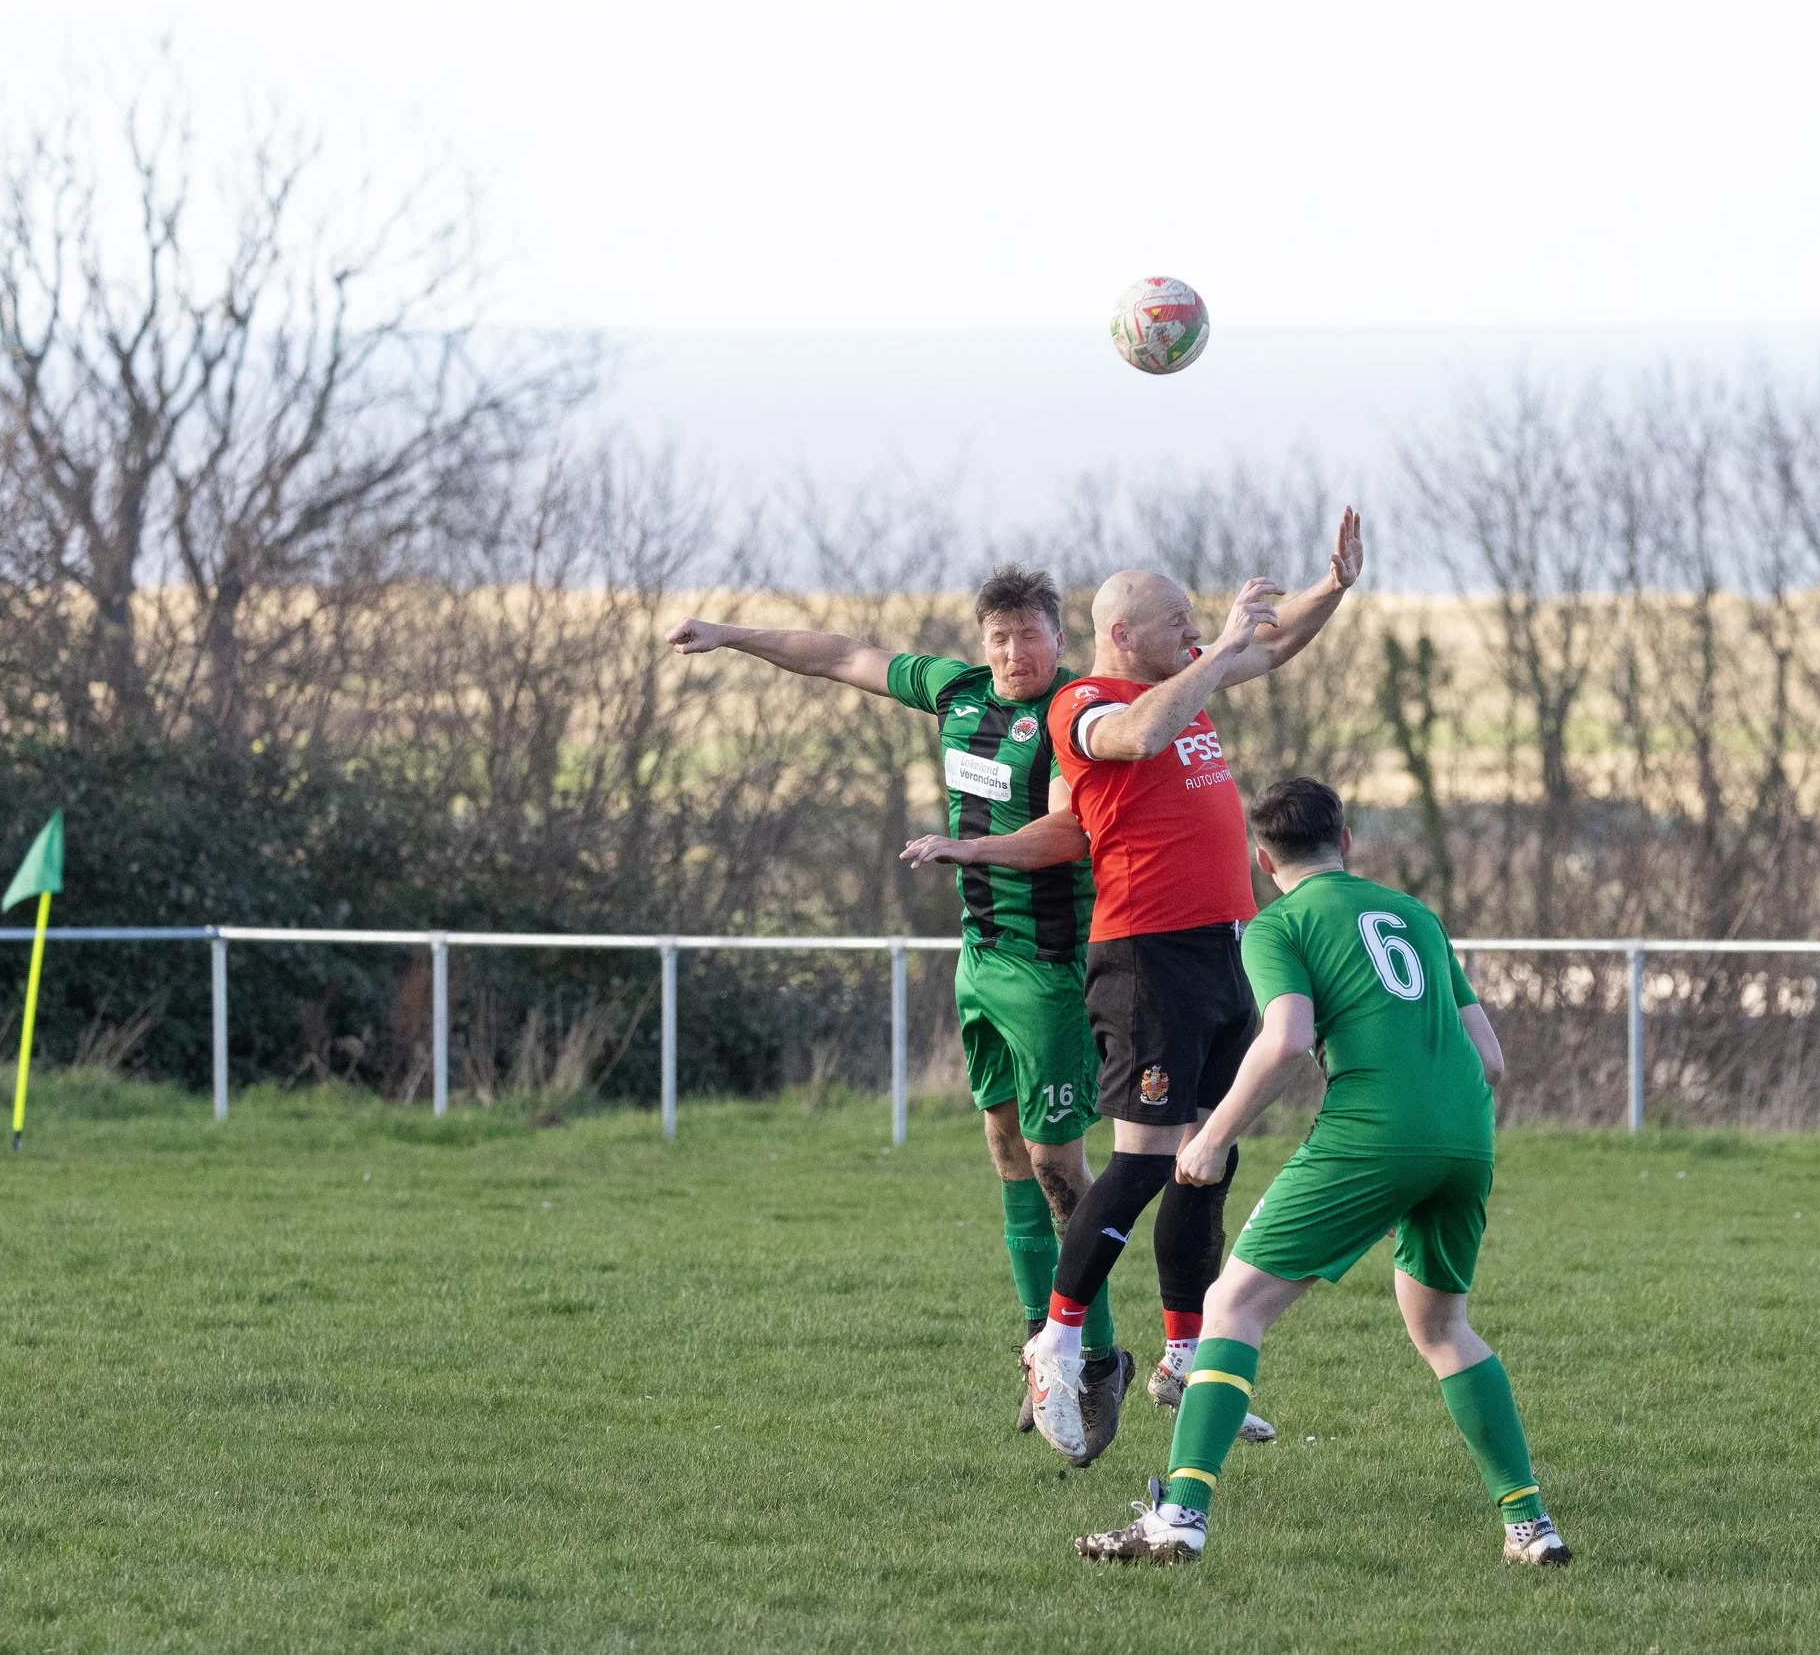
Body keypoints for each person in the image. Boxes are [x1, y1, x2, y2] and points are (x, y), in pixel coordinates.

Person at [665, 565, 1135, 1460]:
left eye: (1029, 635)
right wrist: (731, 632)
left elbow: (1071, 833)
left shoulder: (1075, 711)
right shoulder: (957, 692)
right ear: (982, 641)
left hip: (1051, 971)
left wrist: (967, 844)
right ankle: (1044, 1349)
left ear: (1058, 639)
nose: (1013, 652)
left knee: (1060, 1169)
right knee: (1003, 1149)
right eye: (999, 636)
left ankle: (1097, 1357)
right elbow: (840, 653)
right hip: (981, 961)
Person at [1075, 777, 1570, 1566]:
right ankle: (1529, 1525)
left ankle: (1179, 1518)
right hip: (1467, 1134)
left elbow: (1286, 1036)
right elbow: (1492, 1060)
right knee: (1444, 1328)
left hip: (1373, 1130)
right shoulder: (1414, 915)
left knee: (1231, 1307)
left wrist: (1211, 1139)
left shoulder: (1278, 926)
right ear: (1347, 842)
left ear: (1263, 861)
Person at [1001, 510, 1365, 1463]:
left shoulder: (1186, 680)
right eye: (1180, 623)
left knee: (1211, 1154)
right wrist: (1223, 650)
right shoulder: (1085, 701)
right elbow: (1135, 735)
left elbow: (1268, 656)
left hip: (1221, 950)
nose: (1197, 634)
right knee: (1145, 1161)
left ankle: (1182, 1359)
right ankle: (1060, 1342)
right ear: (1125, 634)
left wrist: (1332, 588)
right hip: (1146, 958)